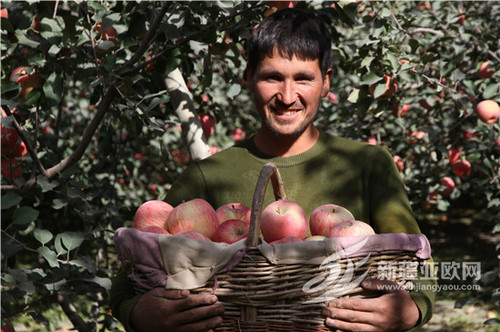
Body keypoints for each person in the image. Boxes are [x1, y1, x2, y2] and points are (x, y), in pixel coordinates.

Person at [109, 8, 435, 332]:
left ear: (326, 82)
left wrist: (412, 308)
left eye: (304, 78)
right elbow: (127, 282)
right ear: (249, 77)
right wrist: (138, 313)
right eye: (272, 77)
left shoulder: (367, 165)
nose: (287, 96)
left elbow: (424, 271)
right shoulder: (207, 176)